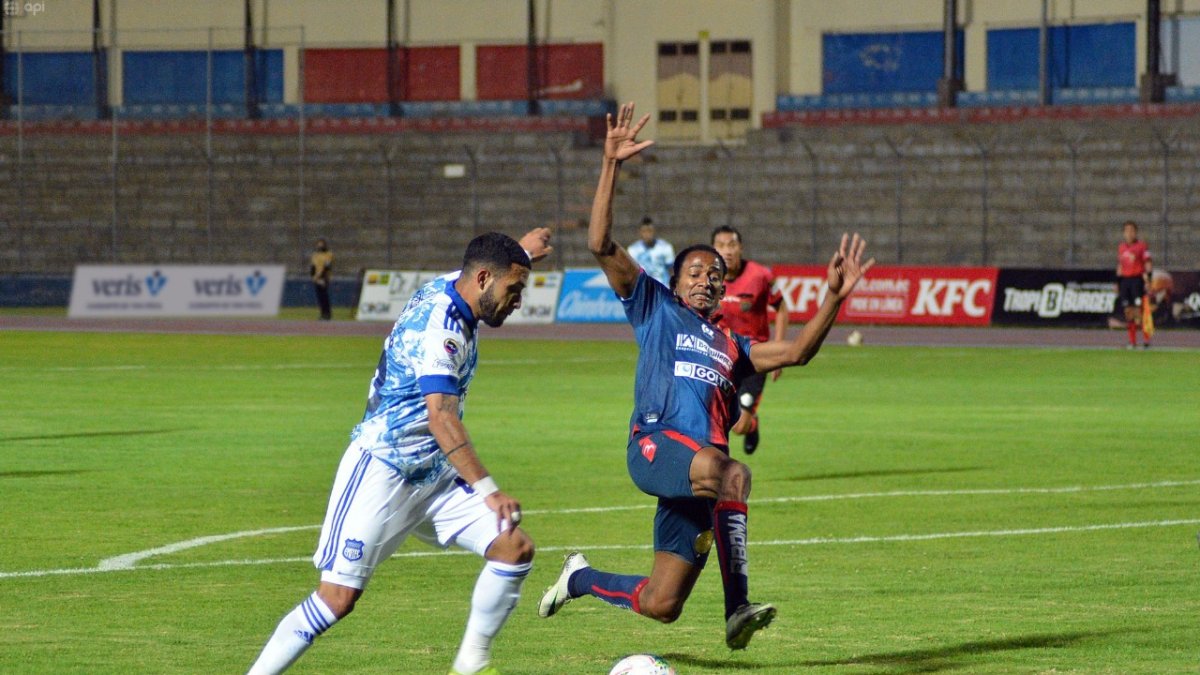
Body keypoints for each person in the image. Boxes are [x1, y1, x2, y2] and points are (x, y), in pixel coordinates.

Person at [537, 103, 873, 650]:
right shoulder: (653, 306)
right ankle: (737, 607)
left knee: (661, 604)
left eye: (715, 275)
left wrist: (834, 296)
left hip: (697, 473)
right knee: (735, 475)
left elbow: (798, 353)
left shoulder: (731, 344)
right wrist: (610, 164)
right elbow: (600, 243)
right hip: (656, 445)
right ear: (674, 281)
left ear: (723, 291)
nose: (706, 279)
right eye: (695, 271)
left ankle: (577, 577)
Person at [248, 228, 553, 675]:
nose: (518, 300)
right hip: (383, 469)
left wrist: (522, 254)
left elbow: (483, 266)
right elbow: (442, 418)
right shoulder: (442, 331)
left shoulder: (459, 284)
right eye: (515, 289)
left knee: (513, 548)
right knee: (337, 599)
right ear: (486, 279)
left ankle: (470, 665)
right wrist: (489, 490)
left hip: (432, 474)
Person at [711, 225, 788, 455]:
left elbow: (781, 309)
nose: (728, 251)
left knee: (740, 425)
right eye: (721, 245)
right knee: (717, 417)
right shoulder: (709, 279)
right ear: (713, 249)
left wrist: (778, 352)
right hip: (721, 357)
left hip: (755, 357)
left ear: (741, 247)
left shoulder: (761, 275)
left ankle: (751, 424)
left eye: (732, 245)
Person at [1116, 220, 1152, 349]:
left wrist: (1148, 280)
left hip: (1137, 280)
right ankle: (1132, 342)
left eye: (1132, 231)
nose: (1129, 233)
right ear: (1124, 233)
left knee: (1139, 312)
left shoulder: (1142, 246)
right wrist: (1117, 283)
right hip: (1125, 281)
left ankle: (1146, 340)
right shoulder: (1121, 247)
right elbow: (1120, 266)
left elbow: (1148, 263)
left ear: (1135, 233)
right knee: (1128, 312)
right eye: (1127, 231)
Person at [627, 216, 675, 286]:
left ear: (654, 231)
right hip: (643, 288)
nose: (647, 235)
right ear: (640, 232)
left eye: (650, 231)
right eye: (644, 231)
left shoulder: (665, 247)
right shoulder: (633, 250)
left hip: (662, 287)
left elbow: (671, 270)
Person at [310, 238, 334, 320]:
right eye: (318, 244)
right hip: (316, 278)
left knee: (324, 296)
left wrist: (321, 278)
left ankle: (327, 314)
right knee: (319, 297)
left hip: (324, 277)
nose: (320, 246)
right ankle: (322, 313)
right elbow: (312, 267)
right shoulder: (315, 255)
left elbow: (327, 266)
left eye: (321, 244)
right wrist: (313, 277)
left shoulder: (328, 254)